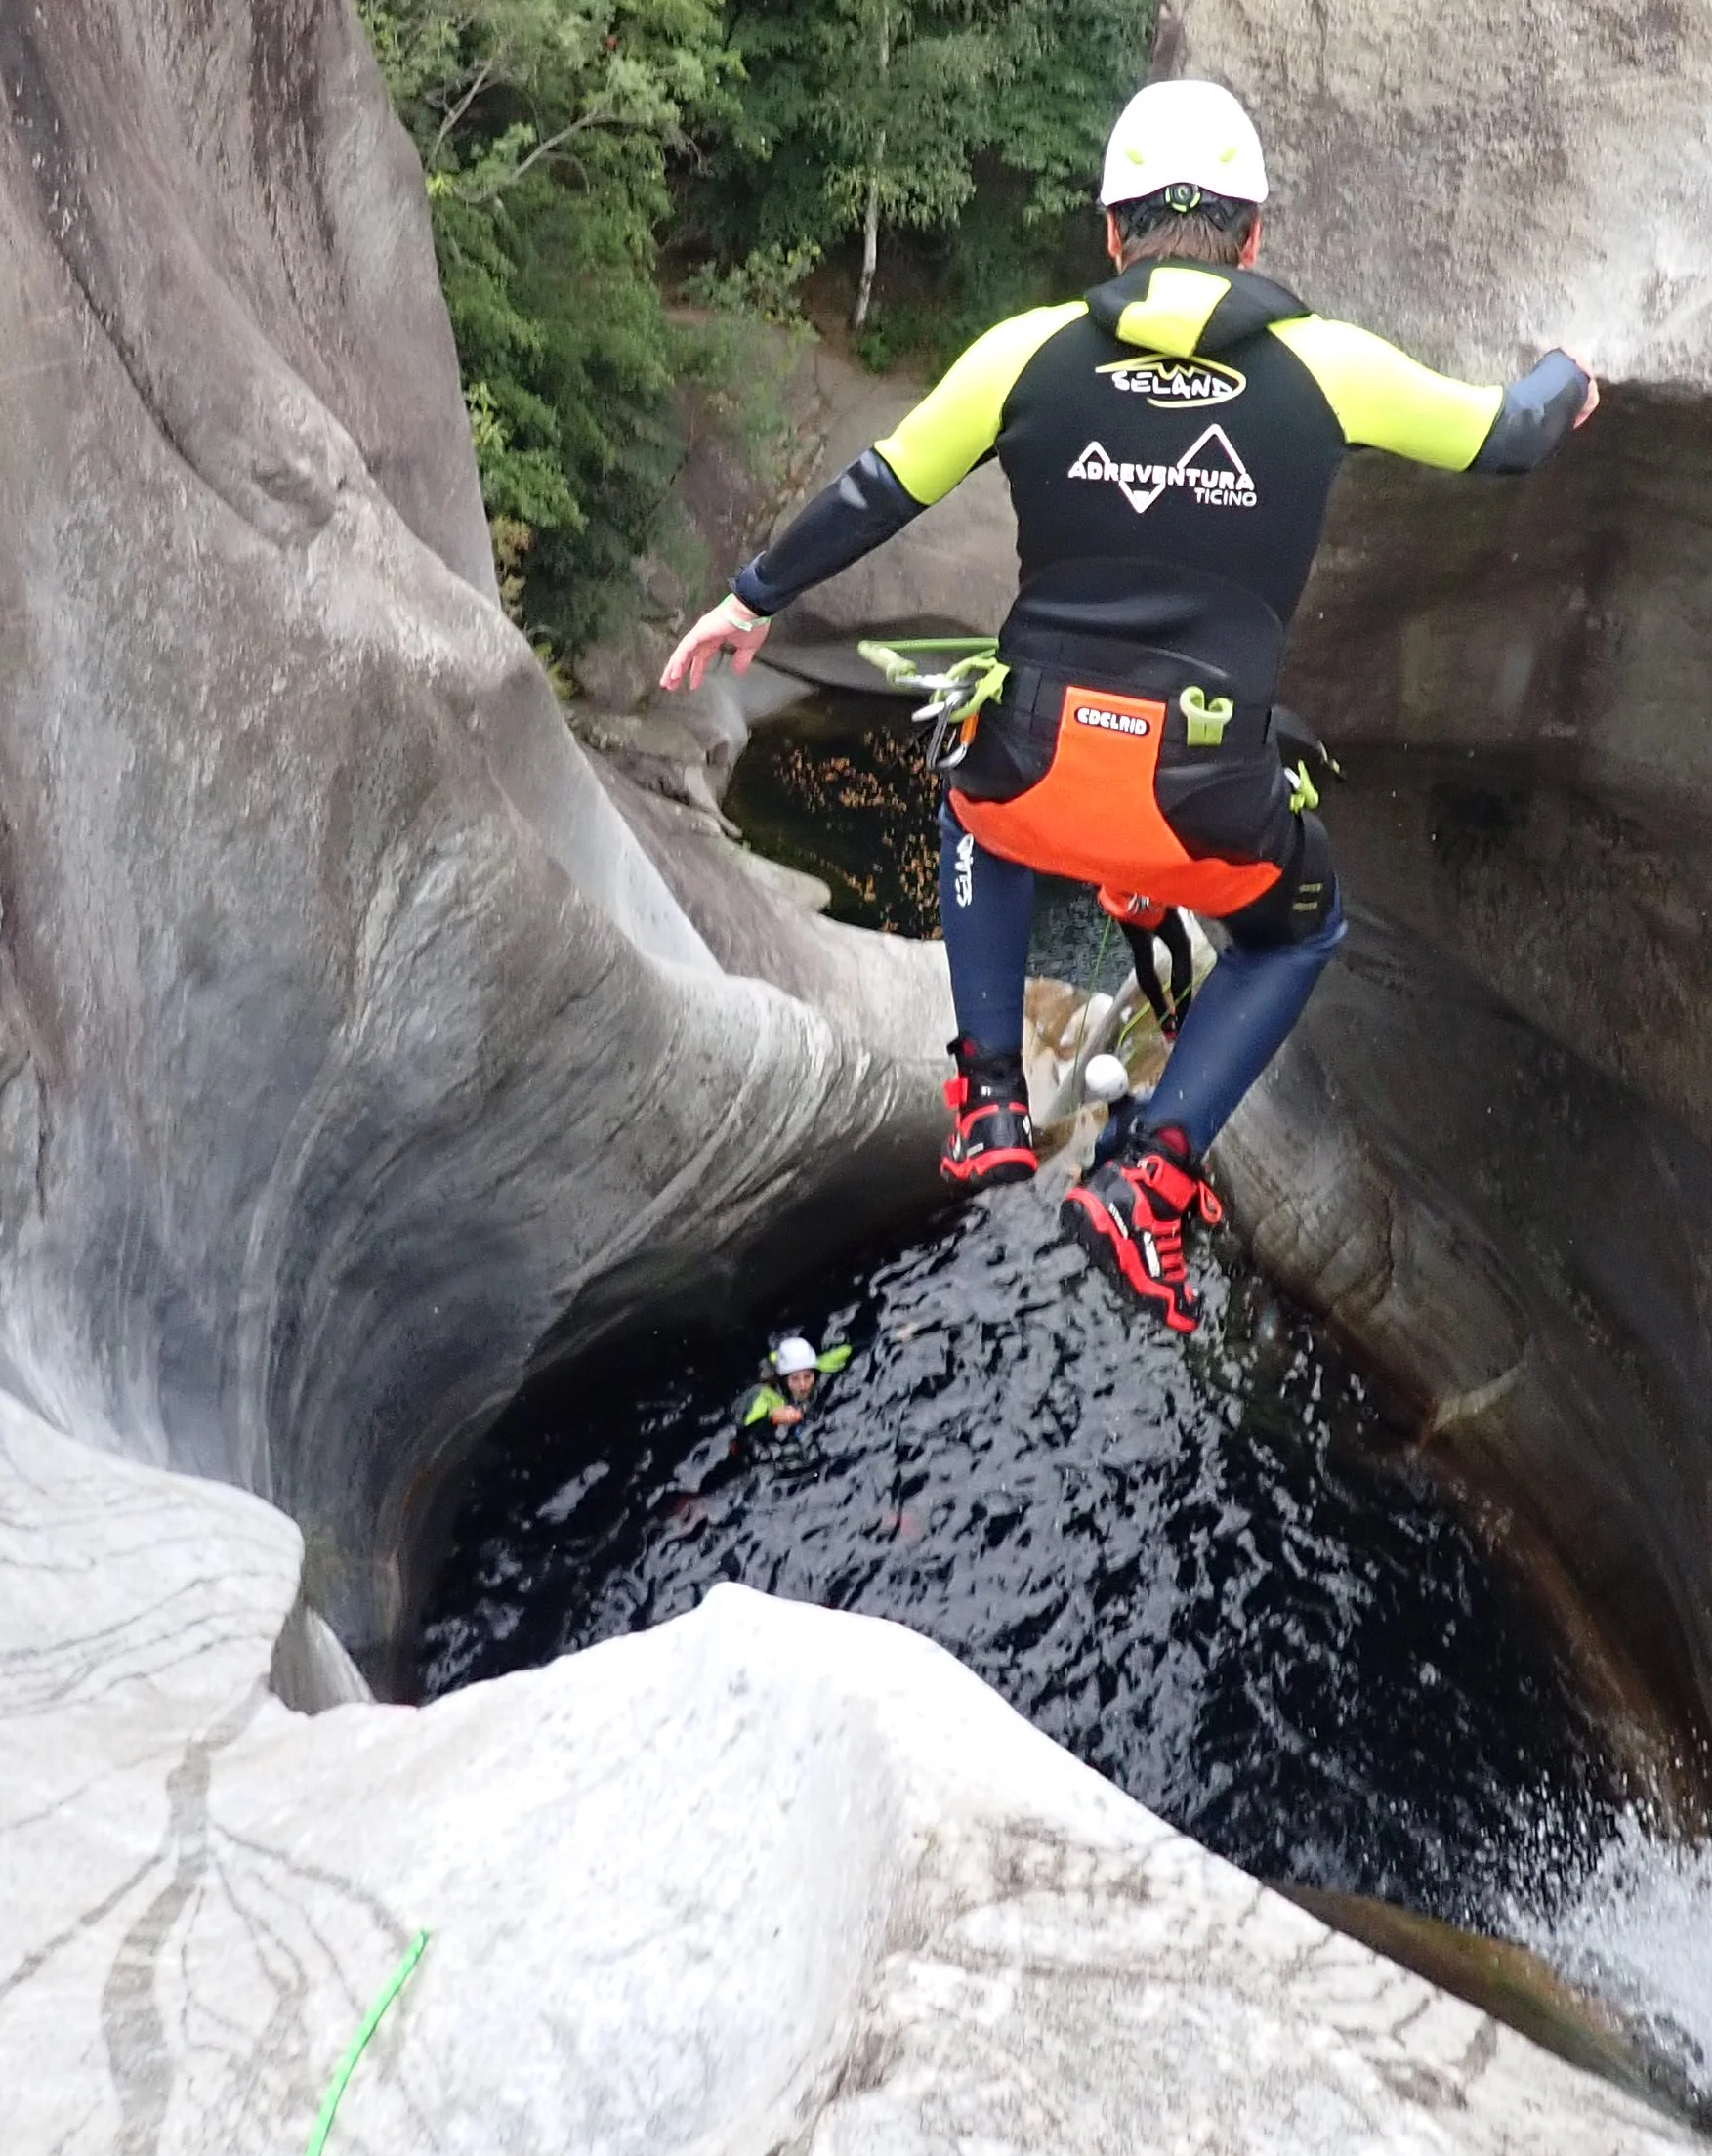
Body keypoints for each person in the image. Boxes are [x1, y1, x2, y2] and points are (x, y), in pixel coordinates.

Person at [664, 78, 1599, 1334]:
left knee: (973, 799)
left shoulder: (1026, 352)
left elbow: (875, 490)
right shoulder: (1328, 369)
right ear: (1252, 238)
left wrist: (750, 598)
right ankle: (1152, 1169)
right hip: (1207, 799)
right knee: (1298, 932)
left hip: (1038, 766)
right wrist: (1572, 370)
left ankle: (990, 1095)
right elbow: (1510, 436)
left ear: (1112, 236)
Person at [738, 1330, 853, 1434]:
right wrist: (772, 1416)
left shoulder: (823, 1370)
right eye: (795, 1379)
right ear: (784, 1380)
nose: (803, 1385)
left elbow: (848, 1349)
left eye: (807, 1377)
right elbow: (743, 1426)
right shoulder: (768, 1397)